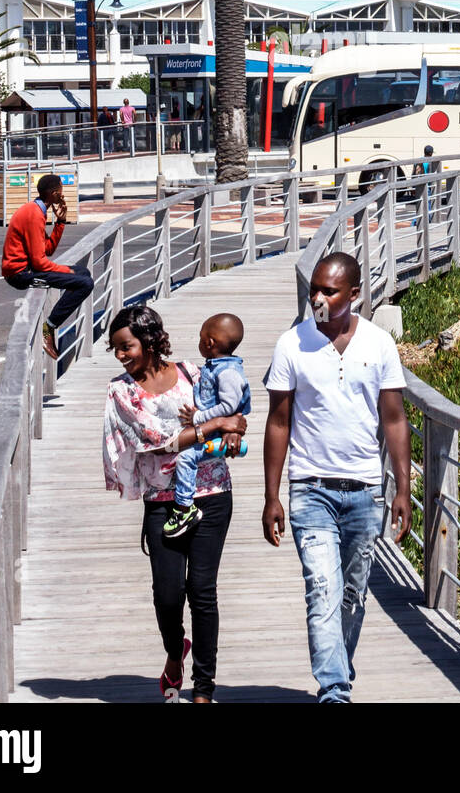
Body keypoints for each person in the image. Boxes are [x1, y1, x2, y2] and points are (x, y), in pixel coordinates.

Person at [262, 251, 412, 704]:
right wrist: (272, 496)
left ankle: (338, 668)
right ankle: (334, 690)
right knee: (322, 590)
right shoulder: (292, 344)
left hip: (365, 490)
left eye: (329, 291)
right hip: (311, 489)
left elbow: (394, 419)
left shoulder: (379, 343)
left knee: (352, 595)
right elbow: (278, 422)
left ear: (354, 294)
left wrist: (402, 489)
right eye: (314, 290)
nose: (319, 299)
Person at [103, 304, 246, 703]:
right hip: (163, 502)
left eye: (125, 346)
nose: (121, 355)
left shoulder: (193, 372)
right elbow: (155, 438)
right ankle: (173, 650)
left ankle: (203, 689)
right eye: (115, 349)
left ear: (149, 341)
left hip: (213, 493)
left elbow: (232, 410)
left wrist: (234, 429)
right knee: (167, 595)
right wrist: (214, 426)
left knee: (202, 591)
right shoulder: (122, 392)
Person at [164, 313, 251, 541]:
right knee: (182, 454)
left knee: (184, 457)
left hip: (212, 436)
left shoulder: (228, 372)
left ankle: (184, 508)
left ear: (209, 342)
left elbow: (229, 406)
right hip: (211, 433)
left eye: (200, 337)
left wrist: (199, 418)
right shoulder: (215, 367)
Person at [1, 173, 93, 361]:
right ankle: (48, 328)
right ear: (53, 193)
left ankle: (51, 324)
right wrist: (67, 272)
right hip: (20, 274)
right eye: (60, 191)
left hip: (28, 269)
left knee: (83, 273)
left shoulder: (37, 209)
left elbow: (47, 250)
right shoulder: (34, 214)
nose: (62, 195)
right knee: (85, 283)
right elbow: (40, 262)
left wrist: (60, 222)